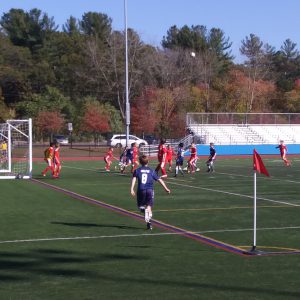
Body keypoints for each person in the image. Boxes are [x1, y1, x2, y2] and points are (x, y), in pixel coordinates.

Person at [131, 155, 170, 230]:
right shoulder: (152, 171)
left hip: (141, 190)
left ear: (139, 162)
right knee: (149, 206)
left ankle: (148, 221)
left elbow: (134, 179)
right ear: (148, 162)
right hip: (150, 190)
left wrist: (132, 189)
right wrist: (166, 188)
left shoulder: (137, 170)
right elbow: (159, 179)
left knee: (140, 206)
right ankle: (149, 223)